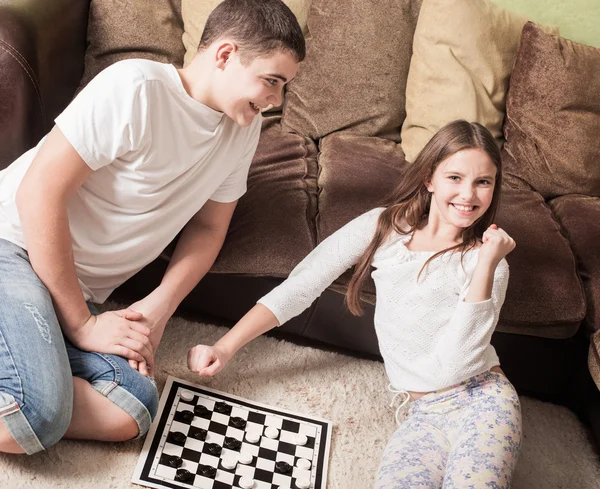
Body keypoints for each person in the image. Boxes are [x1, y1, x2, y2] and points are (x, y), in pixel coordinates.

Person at [0, 0, 304, 455]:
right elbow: (38, 193)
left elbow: (206, 229)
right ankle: (33, 388)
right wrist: (82, 326)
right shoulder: (136, 87)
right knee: (37, 414)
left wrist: (156, 312)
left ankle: (28, 366)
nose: (275, 100)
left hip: (69, 286)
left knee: (133, 406)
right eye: (271, 81)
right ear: (224, 55)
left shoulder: (243, 130)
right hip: (13, 247)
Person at [187, 120, 523, 488]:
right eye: (455, 178)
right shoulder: (385, 228)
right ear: (429, 178)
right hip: (421, 413)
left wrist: (487, 265)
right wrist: (225, 345)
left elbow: (452, 367)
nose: (468, 194)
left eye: (483, 182)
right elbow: (304, 282)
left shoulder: (489, 262)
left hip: (482, 402)